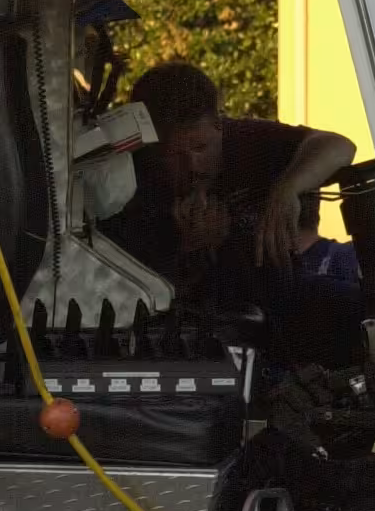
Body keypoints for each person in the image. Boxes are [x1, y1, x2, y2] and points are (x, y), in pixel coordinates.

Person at [103, 60, 357, 321]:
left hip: (298, 281)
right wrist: (192, 249)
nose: (192, 165)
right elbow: (141, 295)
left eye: (201, 147)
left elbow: (339, 146)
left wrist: (288, 189)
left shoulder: (246, 140)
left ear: (219, 124)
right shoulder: (134, 186)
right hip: (218, 315)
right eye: (174, 155)